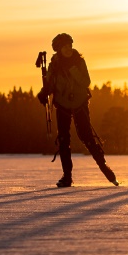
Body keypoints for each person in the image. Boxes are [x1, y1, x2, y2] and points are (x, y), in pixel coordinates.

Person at [37, 33, 117, 188]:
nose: (68, 49)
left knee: (87, 137)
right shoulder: (54, 64)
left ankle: (105, 168)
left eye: (69, 45)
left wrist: (72, 69)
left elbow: (85, 81)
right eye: (64, 46)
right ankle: (67, 176)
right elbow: (50, 84)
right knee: (63, 140)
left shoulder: (79, 62)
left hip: (80, 103)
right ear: (58, 49)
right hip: (62, 105)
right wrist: (44, 93)